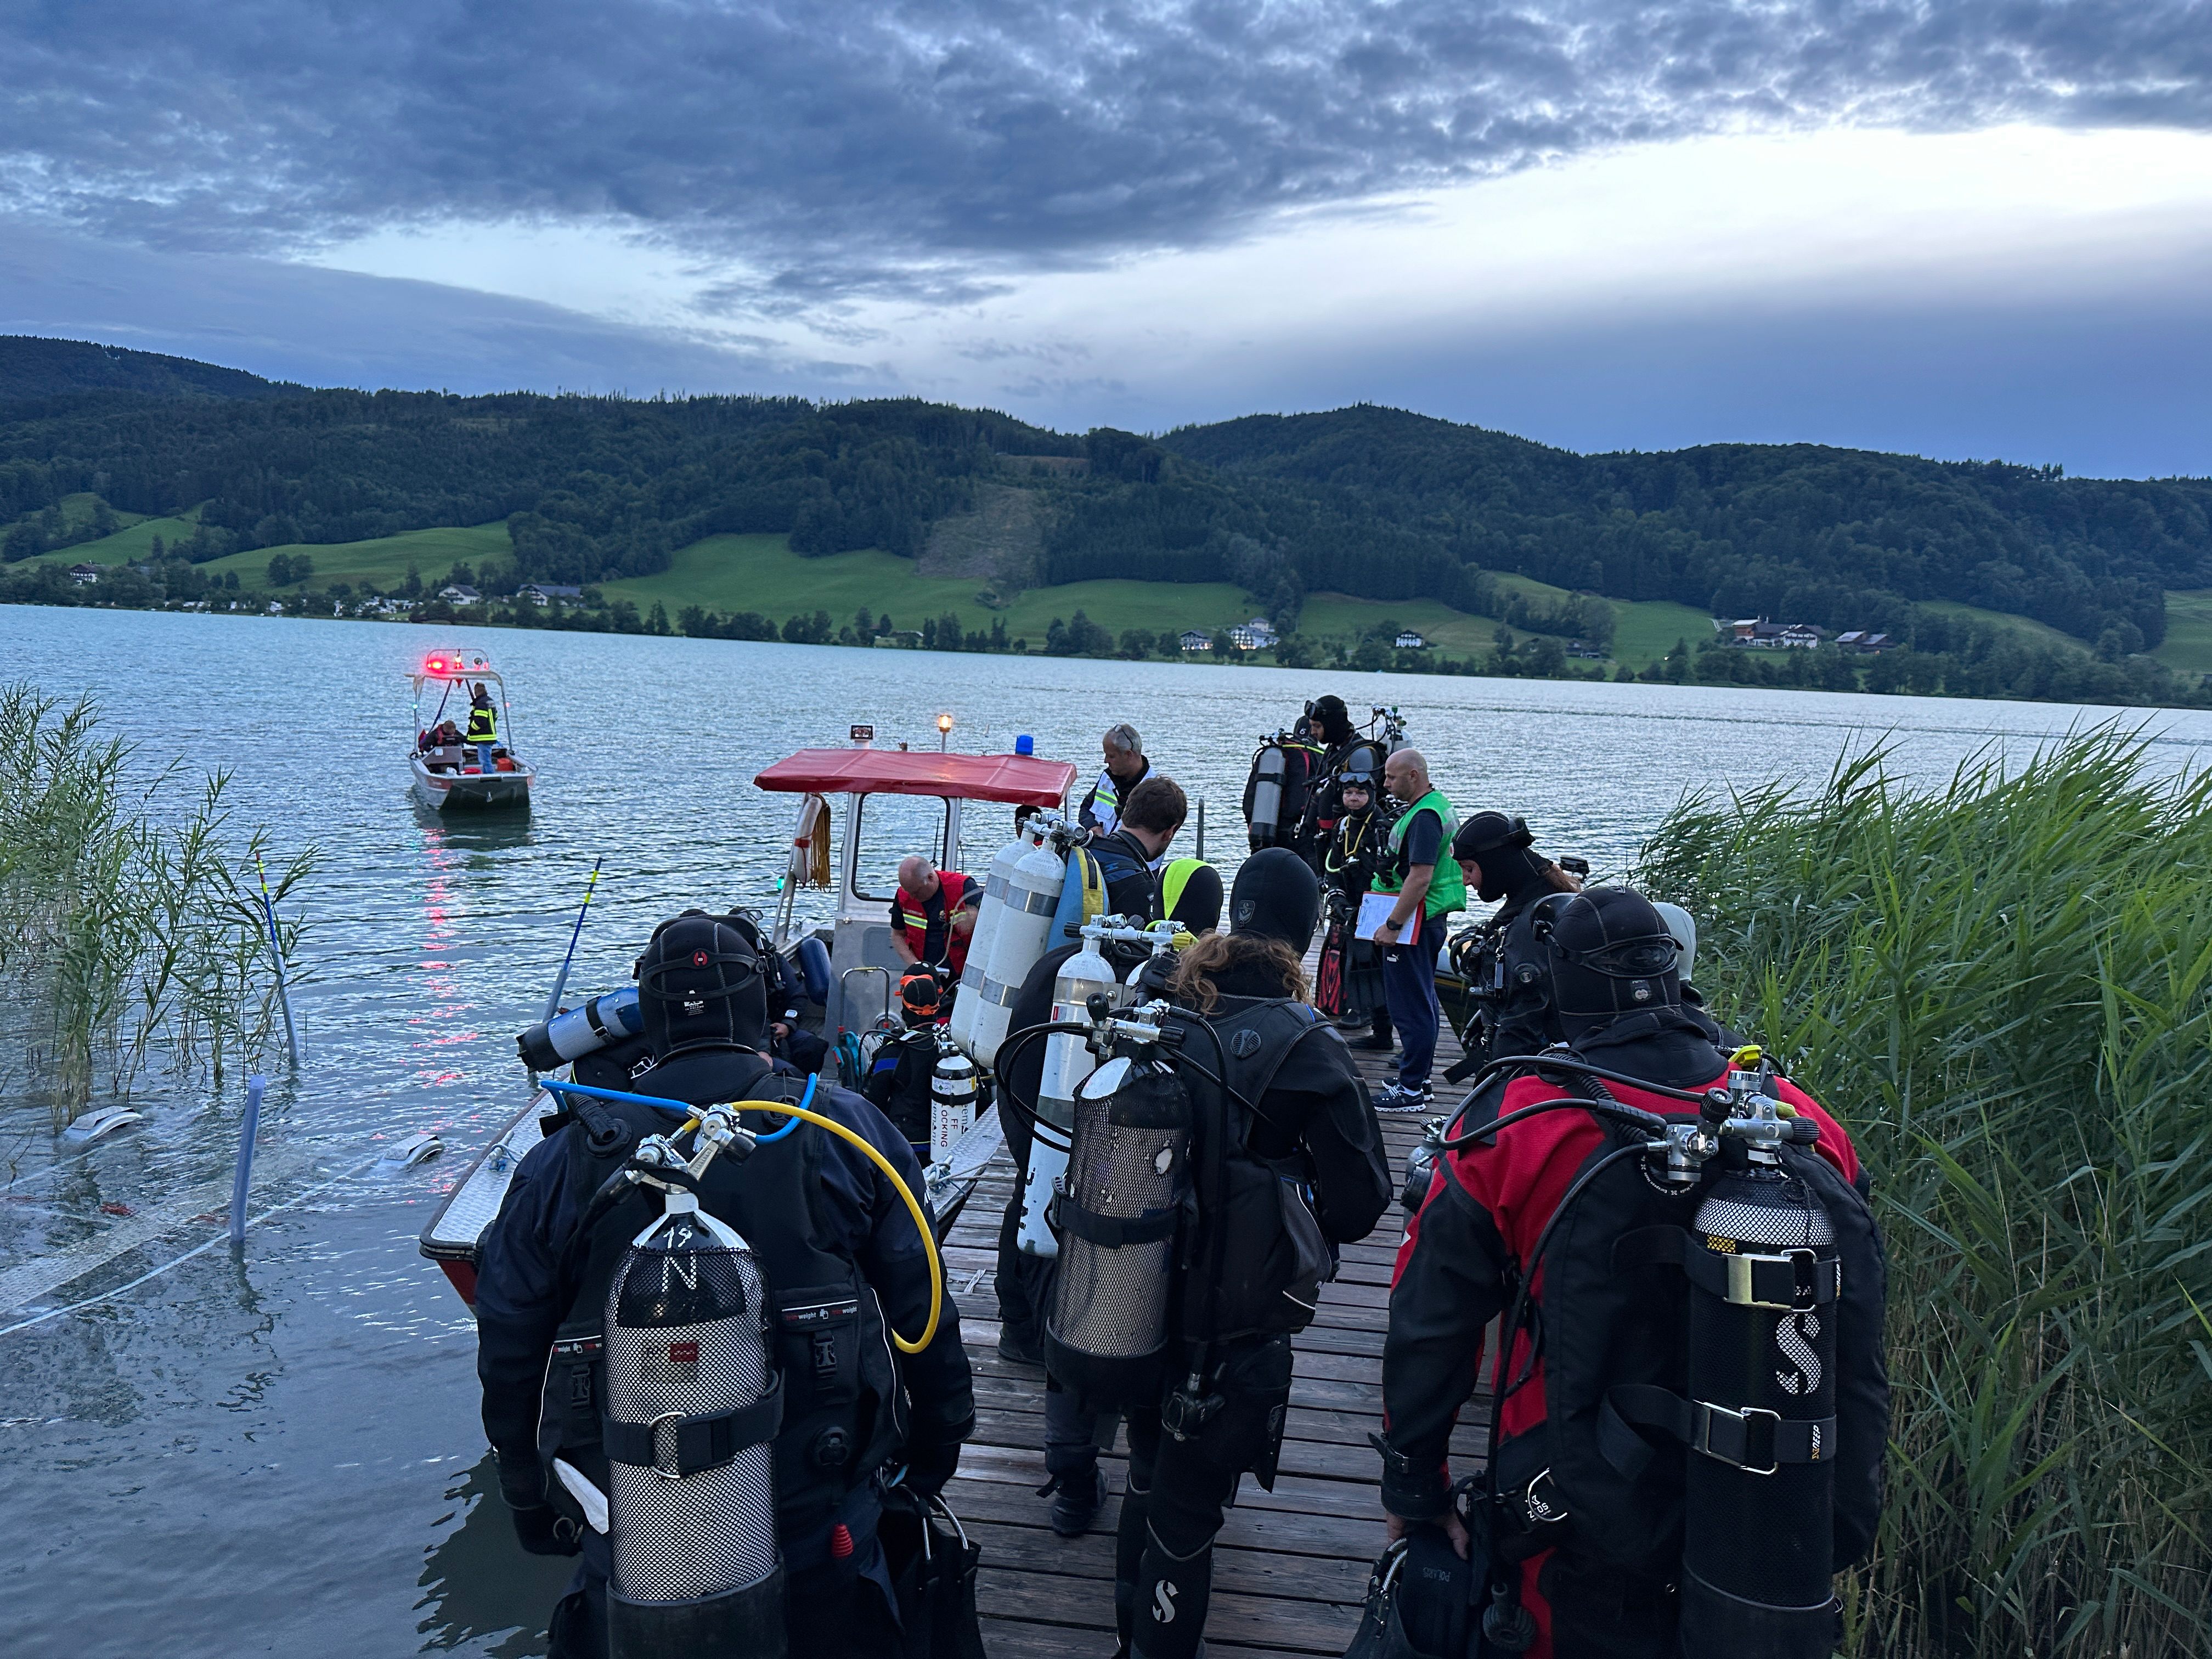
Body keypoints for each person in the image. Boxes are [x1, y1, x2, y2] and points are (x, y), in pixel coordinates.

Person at [1377, 888, 1888, 1659]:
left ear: (1555, 993)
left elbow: (1429, 1321)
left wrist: (1413, 1489)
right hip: (1771, 1530)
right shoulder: (1797, 1123)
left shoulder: (1518, 1124)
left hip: (1574, 1513)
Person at [473, 910, 973, 1658]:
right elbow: (925, 1315)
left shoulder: (563, 1165)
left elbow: (507, 1347)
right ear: (765, 1007)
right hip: (822, 1528)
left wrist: (526, 1494)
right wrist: (937, 1448)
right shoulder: (845, 1131)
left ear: (649, 1020)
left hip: (639, 1548)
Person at [1112, 849, 1392, 1659]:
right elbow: (1362, 1204)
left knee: (1144, 1471)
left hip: (1127, 1286)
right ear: (1304, 937)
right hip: (1229, 1329)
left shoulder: (1158, 998)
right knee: (1190, 1511)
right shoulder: (1306, 1043)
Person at [1443, 812, 1583, 1076]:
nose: (1465, 880)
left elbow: (1520, 1028)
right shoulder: (1552, 903)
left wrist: (1499, 1082)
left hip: (1532, 1076)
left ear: (1496, 864)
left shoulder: (1529, 931)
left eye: (1469, 868)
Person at [1370, 748, 1463, 1110]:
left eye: (1392, 778)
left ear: (1414, 776)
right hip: (1427, 919)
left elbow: (1420, 877)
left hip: (1415, 921)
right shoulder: (1435, 805)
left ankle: (1411, 1091)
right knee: (1420, 1000)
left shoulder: (1424, 816)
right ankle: (1417, 1077)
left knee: (1411, 1007)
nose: (1385, 784)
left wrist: (1393, 924)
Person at [1317, 765, 1395, 1052]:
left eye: (1360, 793)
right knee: (1355, 963)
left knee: (1373, 966)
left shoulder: (1383, 826)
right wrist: (1336, 897)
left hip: (1378, 905)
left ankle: (1381, 1029)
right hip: (1349, 905)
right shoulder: (1342, 827)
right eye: (1348, 793)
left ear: (1372, 795)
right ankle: (1364, 1016)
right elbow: (1332, 865)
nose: (1353, 798)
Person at [888, 855, 980, 979]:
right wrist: (916, 967)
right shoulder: (904, 896)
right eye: (908, 891)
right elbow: (898, 936)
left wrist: (976, 921)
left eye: (916, 892)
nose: (912, 897)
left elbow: (994, 925)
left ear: (931, 878)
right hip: (924, 975)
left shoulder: (964, 888)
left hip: (963, 974)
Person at [1080, 723, 1153, 842]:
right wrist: (1092, 827)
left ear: (1129, 755)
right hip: (1096, 853)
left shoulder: (1154, 791)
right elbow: (1085, 808)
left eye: (1111, 756)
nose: (1105, 761)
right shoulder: (1107, 777)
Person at [465, 682, 499, 775]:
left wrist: (472, 729)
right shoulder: (490, 701)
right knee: (486, 759)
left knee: (485, 761)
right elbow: (496, 716)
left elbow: (480, 721)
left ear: (476, 692)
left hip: (483, 737)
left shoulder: (480, 703)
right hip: (491, 735)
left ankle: (490, 778)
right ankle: (487, 776)